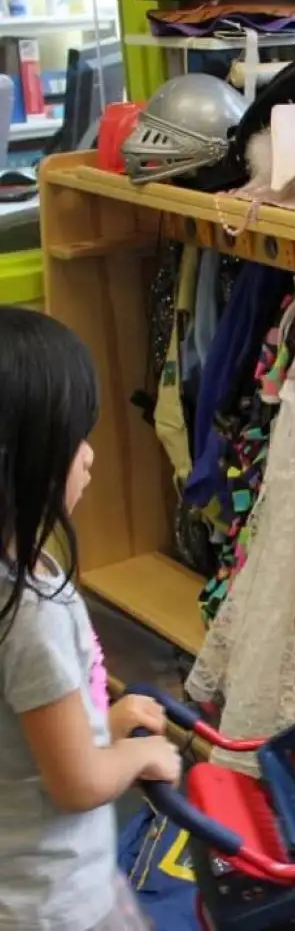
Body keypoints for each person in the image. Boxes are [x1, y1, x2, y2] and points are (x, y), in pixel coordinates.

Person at [0, 308, 182, 930]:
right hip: (55, 903)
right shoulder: (28, 615)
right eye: (76, 440)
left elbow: (27, 739)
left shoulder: (18, 580)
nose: (90, 457)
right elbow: (75, 782)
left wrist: (105, 723)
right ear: (28, 461)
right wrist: (142, 758)